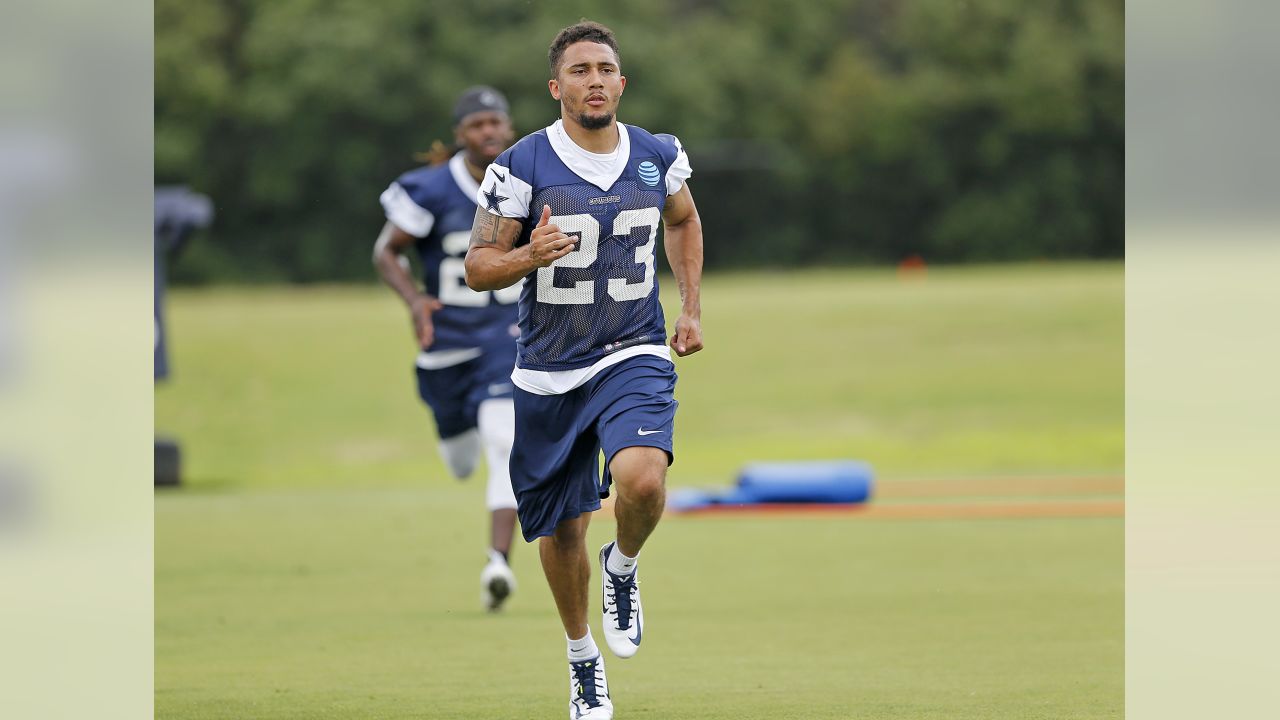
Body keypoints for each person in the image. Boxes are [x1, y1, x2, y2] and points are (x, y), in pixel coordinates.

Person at [464, 22, 704, 720]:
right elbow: (479, 266)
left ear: (621, 82)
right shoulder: (521, 164)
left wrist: (689, 306)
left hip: (632, 347)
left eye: (605, 68)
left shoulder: (658, 155)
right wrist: (527, 258)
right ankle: (582, 660)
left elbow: (684, 220)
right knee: (563, 530)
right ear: (556, 86)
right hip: (547, 370)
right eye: (579, 70)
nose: (594, 79)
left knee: (641, 477)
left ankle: (622, 565)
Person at [373, 86, 522, 612]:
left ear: (508, 126)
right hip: (448, 343)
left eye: (495, 122)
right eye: (477, 124)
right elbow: (387, 251)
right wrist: (415, 301)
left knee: (505, 442)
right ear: (460, 135)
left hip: (507, 334)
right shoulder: (431, 188)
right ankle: (456, 438)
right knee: (460, 461)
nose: (488, 132)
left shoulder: (527, 177)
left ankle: (497, 562)